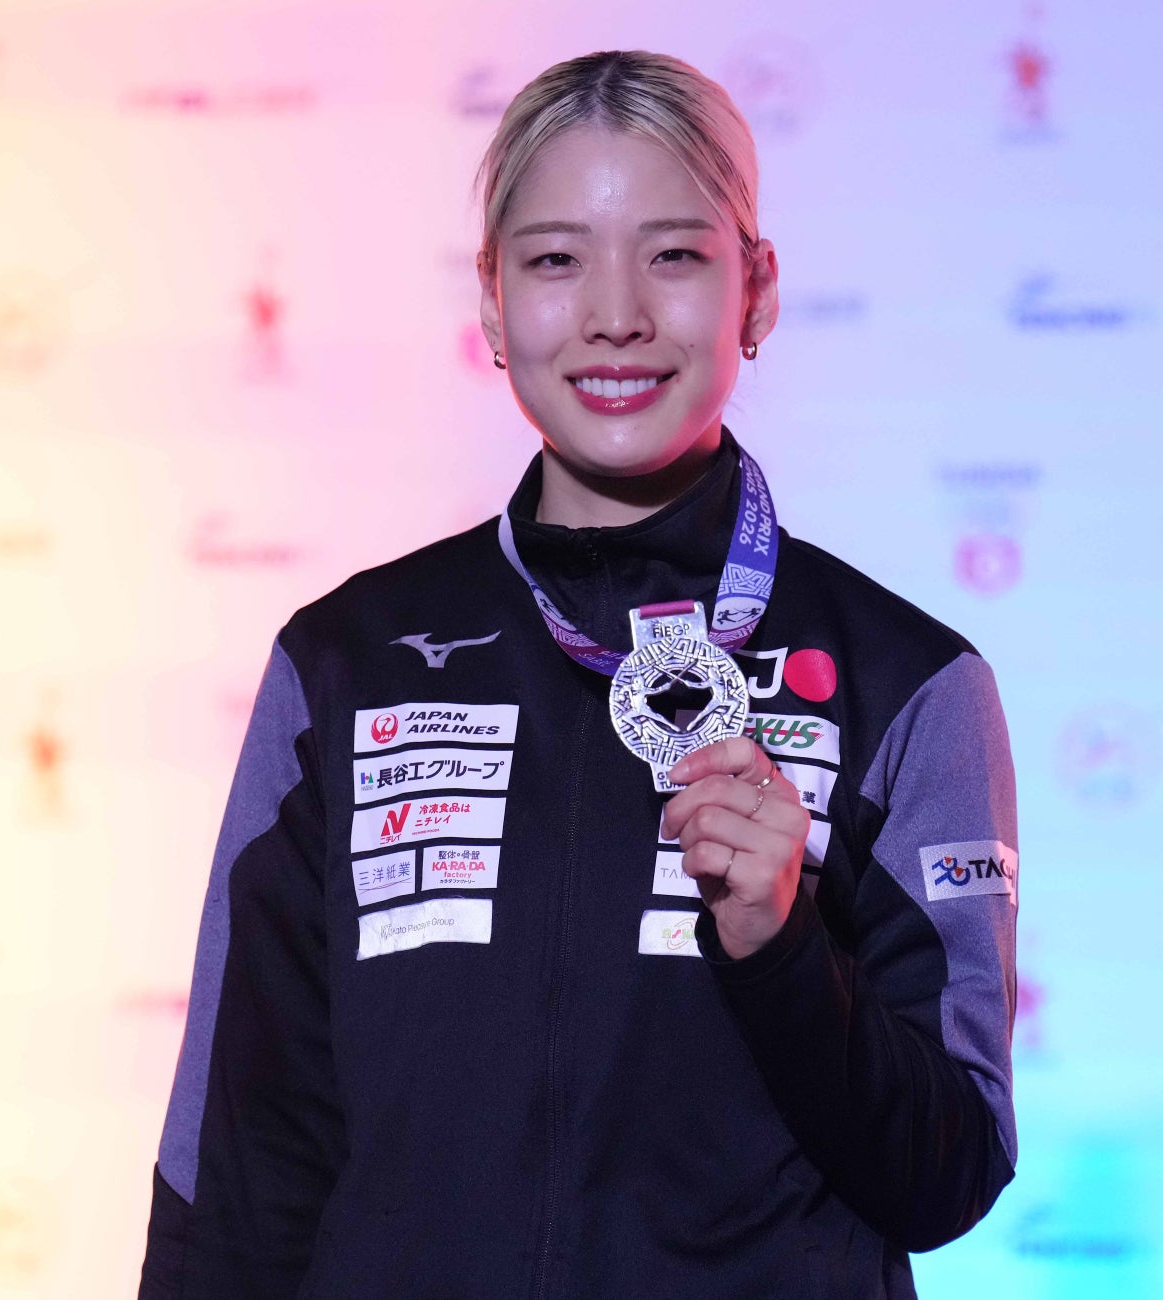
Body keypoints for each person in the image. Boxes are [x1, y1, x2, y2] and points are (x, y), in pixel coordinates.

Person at [139, 48, 1019, 1300]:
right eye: (556, 260)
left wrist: (780, 946)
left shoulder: (907, 685)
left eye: (675, 256)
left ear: (758, 292)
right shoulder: (345, 663)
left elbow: (948, 1171)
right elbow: (237, 1169)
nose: (616, 314)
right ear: (493, 303)